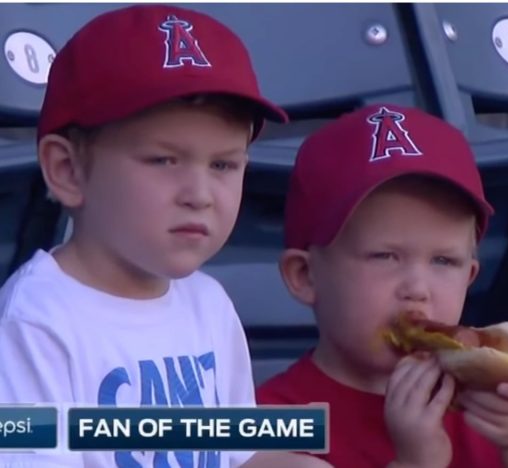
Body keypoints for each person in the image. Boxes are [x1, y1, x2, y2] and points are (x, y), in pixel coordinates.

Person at [0, 5, 326, 468]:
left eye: (223, 165)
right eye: (163, 160)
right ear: (68, 170)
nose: (200, 195)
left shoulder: (208, 304)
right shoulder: (35, 322)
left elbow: (236, 452)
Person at [257, 104, 508, 468]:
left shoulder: (480, 401)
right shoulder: (269, 420)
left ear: (470, 277)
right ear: (305, 275)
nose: (417, 288)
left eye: (444, 261)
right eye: (385, 256)